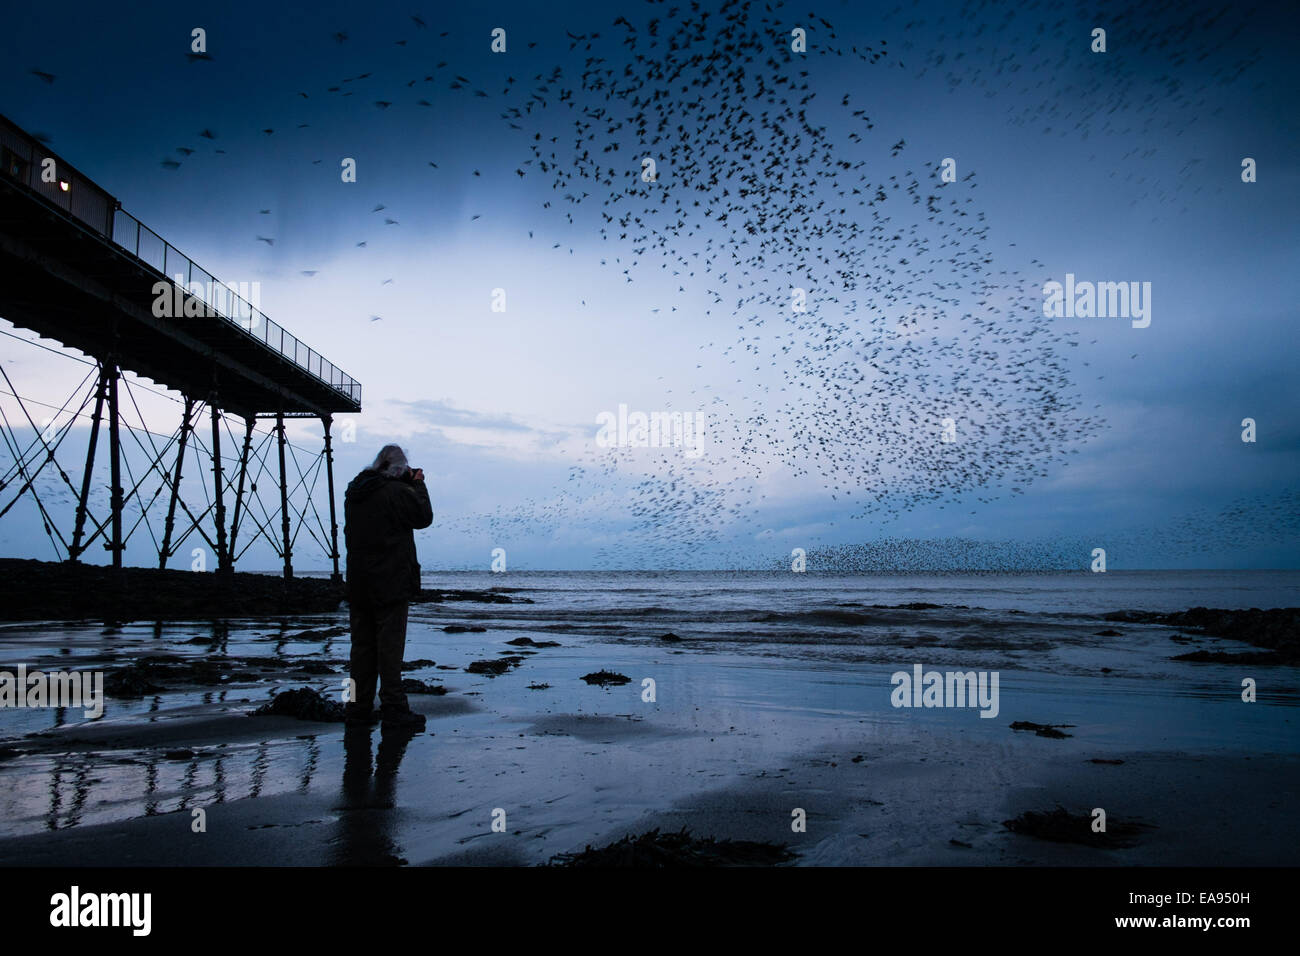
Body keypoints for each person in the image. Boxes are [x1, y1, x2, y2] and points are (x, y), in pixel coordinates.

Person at [343, 444, 433, 729]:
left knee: (361, 649)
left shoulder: (355, 492)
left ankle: (357, 707)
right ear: (398, 470)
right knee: (389, 650)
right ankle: (394, 707)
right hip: (390, 582)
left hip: (359, 582)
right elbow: (423, 517)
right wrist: (418, 484)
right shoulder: (396, 492)